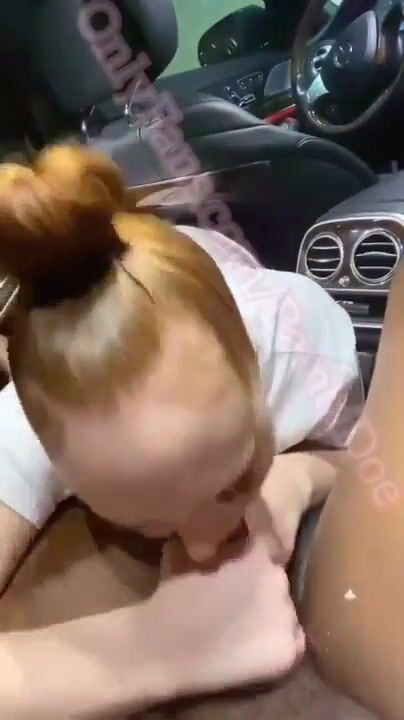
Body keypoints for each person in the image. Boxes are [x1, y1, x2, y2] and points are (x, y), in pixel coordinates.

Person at [0, 144, 361, 718]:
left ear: (254, 374)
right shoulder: (24, 430)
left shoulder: (307, 350)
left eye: (235, 480)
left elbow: (361, 460)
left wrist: (295, 479)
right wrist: (163, 648)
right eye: (146, 522)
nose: (202, 547)